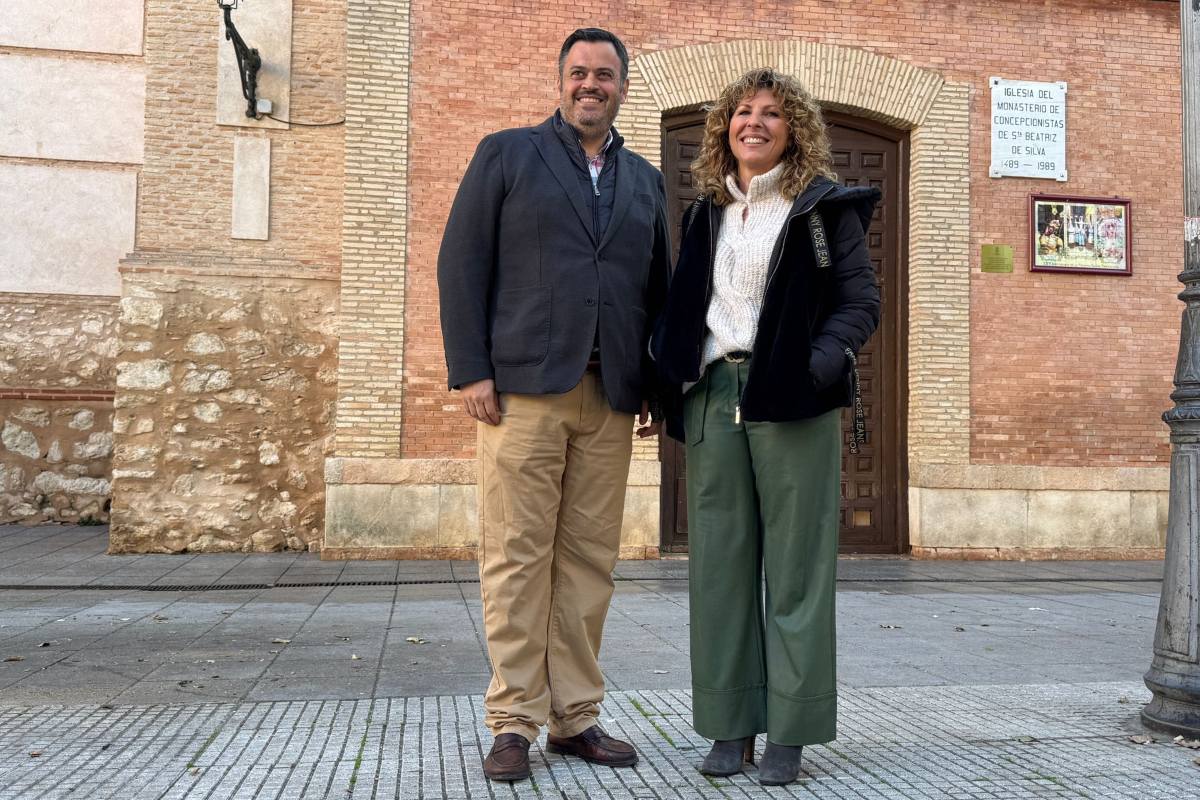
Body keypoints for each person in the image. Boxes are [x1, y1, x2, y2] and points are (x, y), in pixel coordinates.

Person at [437, 27, 671, 783]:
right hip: (522, 396)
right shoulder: (506, 154)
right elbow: (462, 261)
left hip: (609, 399)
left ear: (622, 87)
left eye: (604, 74)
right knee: (515, 557)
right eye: (578, 73)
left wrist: (654, 387)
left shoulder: (645, 179)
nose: (590, 85)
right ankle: (512, 720)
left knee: (588, 565)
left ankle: (575, 720)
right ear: (561, 81)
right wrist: (471, 369)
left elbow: (658, 290)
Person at [651, 68, 880, 786]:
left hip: (792, 403)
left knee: (796, 572)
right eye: (742, 112)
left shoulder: (822, 210)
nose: (754, 122)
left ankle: (792, 728)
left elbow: (859, 302)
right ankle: (728, 726)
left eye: (772, 114)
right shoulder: (705, 213)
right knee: (717, 570)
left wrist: (814, 365)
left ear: (795, 129)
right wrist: (668, 380)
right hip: (714, 395)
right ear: (725, 127)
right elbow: (680, 308)